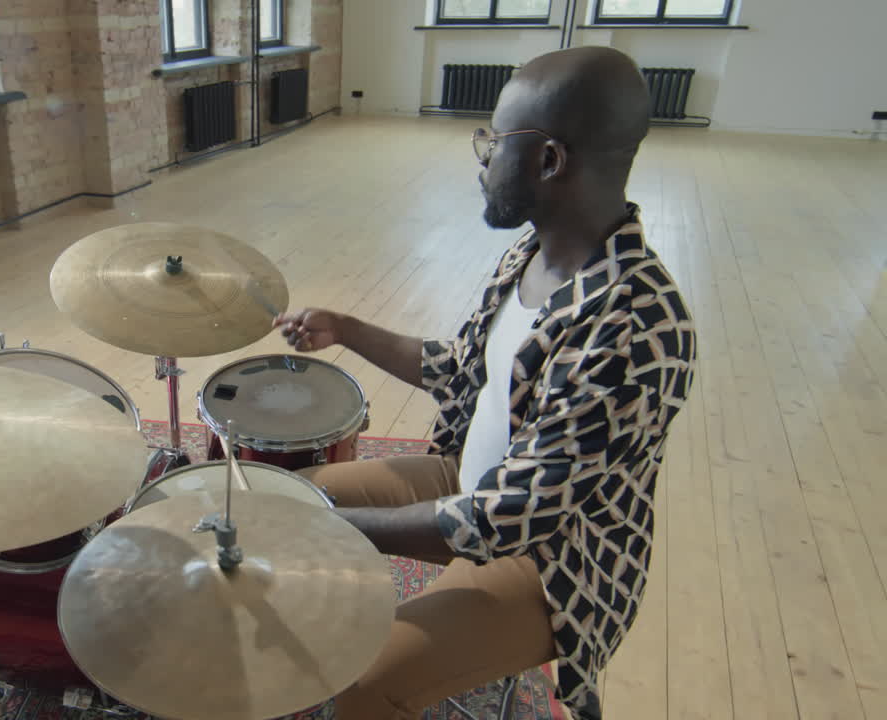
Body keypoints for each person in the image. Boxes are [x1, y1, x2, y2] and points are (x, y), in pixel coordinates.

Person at [274, 46, 696, 720]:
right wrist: (346, 328)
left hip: (557, 562)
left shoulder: (635, 326)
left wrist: (330, 527)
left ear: (549, 160)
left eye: (494, 143)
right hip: (472, 480)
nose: (483, 160)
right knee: (289, 492)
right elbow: (460, 368)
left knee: (364, 683)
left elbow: (505, 520)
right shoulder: (532, 253)